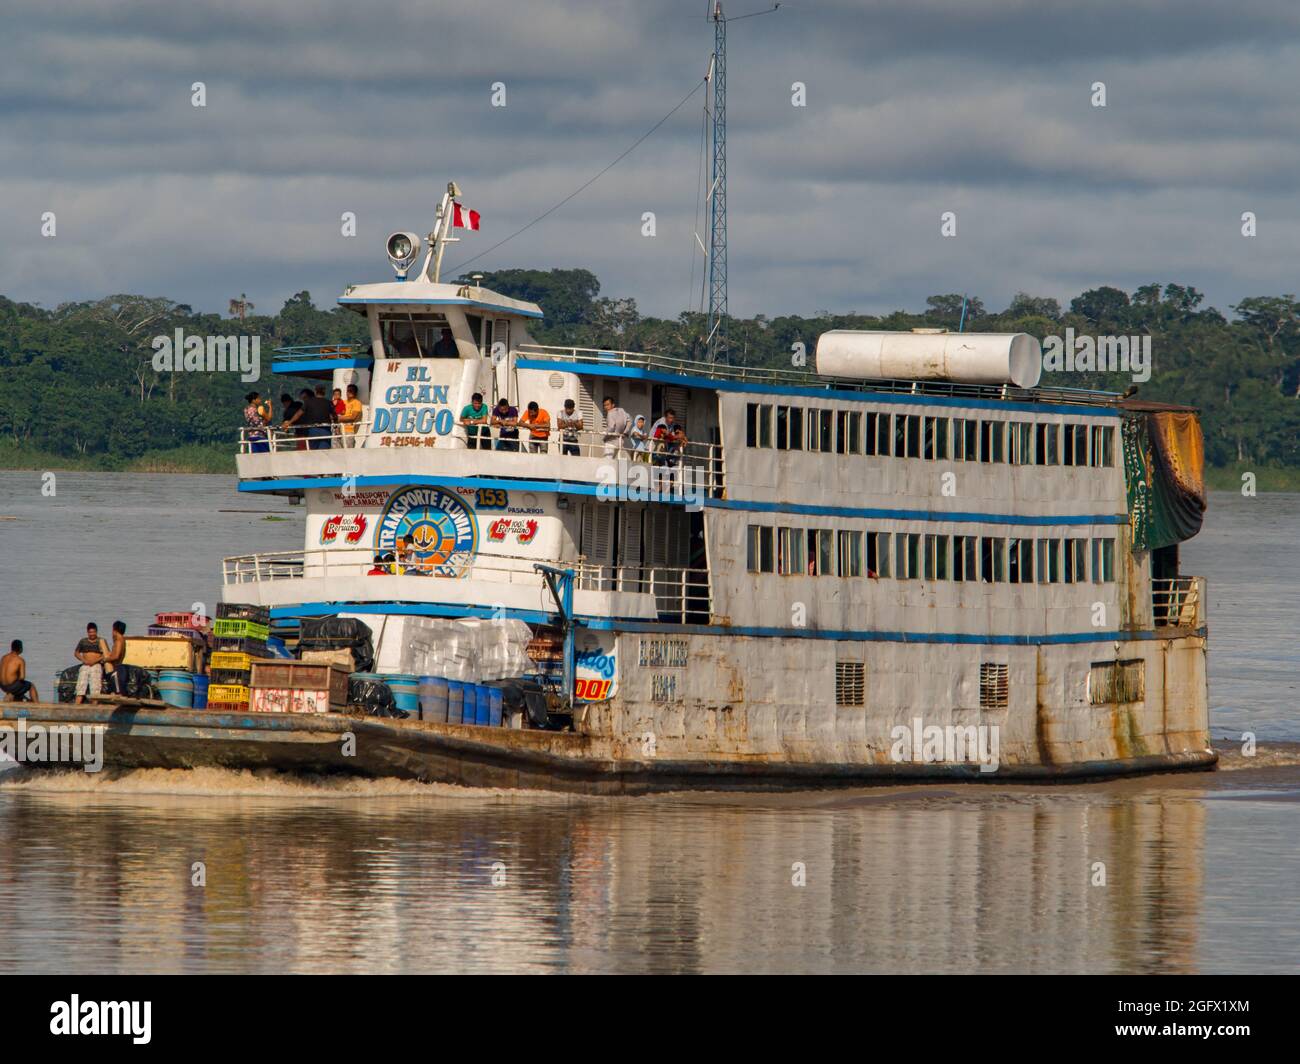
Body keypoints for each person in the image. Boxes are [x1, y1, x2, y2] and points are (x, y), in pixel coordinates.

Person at [74, 622, 109, 703]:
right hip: (85, 665)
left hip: (96, 665)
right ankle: (77, 705)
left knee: (95, 687)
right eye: (90, 632)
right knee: (80, 686)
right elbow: (76, 653)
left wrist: (95, 661)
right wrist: (84, 660)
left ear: (96, 632)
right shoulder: (83, 641)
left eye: (93, 632)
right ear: (87, 632)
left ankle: (94, 705)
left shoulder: (101, 641)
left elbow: (106, 654)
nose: (92, 634)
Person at [104, 620, 127, 695]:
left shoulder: (118, 641)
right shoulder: (122, 640)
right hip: (119, 668)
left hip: (117, 669)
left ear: (115, 630)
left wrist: (105, 659)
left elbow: (116, 656)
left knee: (118, 693)